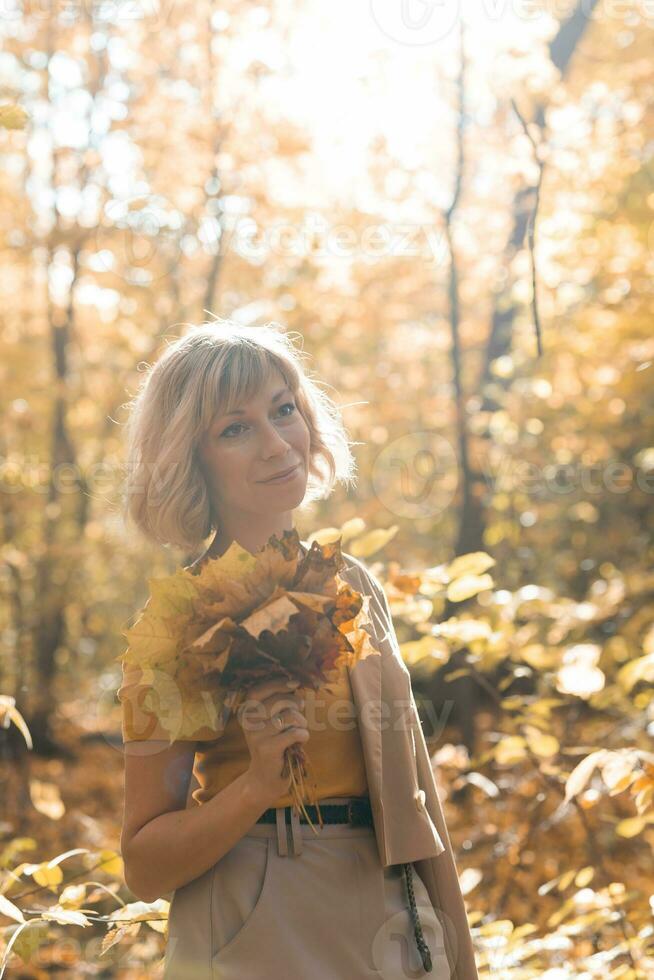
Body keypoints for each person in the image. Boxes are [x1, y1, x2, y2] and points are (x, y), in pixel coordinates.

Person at [116, 318, 479, 978]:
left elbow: (416, 788)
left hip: (389, 912)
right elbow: (143, 864)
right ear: (190, 458)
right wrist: (256, 785)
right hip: (254, 917)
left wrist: (457, 953)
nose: (276, 443)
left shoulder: (354, 586)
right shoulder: (175, 619)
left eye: (283, 410)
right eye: (235, 428)